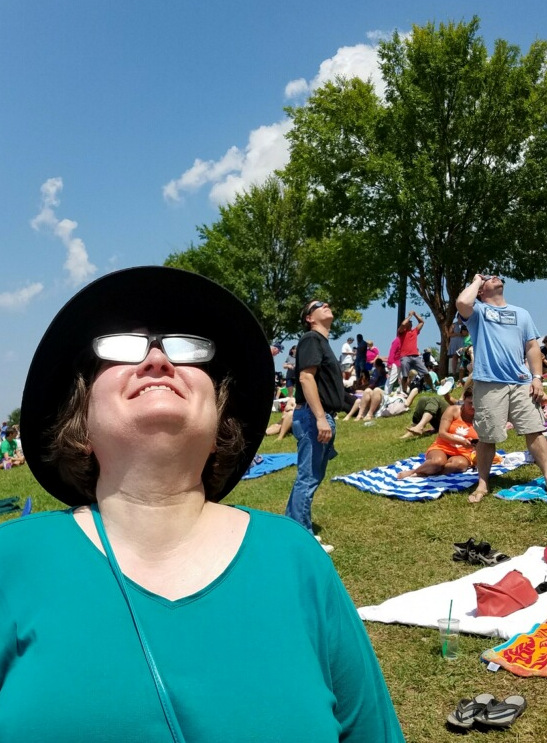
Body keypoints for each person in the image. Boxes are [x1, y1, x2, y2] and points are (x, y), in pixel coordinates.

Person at [0, 267, 404, 742]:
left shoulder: (295, 559)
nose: (157, 360)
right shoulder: (13, 558)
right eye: (123, 345)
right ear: (81, 426)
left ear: (220, 427)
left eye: (185, 349)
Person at [456, 273, 547, 503]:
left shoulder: (522, 313)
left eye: (495, 276)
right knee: (487, 437)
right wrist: (477, 280)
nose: (495, 277)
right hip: (488, 384)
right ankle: (483, 484)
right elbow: (462, 303)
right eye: (489, 278)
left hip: (522, 383)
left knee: (534, 430)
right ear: (481, 291)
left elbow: (532, 347)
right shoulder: (478, 312)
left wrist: (537, 377)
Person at [285, 300, 346, 553]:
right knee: (308, 477)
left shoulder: (320, 341)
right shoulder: (311, 338)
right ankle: (302, 538)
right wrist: (320, 418)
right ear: (309, 318)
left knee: (311, 476)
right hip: (313, 416)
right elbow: (305, 377)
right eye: (319, 305)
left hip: (317, 415)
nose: (327, 305)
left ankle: (291, 529)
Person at [397, 386, 478, 478]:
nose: (473, 406)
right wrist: (462, 442)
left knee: (459, 464)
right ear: (464, 399)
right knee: (437, 462)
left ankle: (425, 473)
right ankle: (414, 472)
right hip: (442, 446)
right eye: (470, 403)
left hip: (463, 453)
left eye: (476, 403)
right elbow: (442, 433)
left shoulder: (481, 418)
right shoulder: (453, 410)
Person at [397, 310, 431, 393]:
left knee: (426, 373)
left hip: (415, 356)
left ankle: (431, 388)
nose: (411, 323)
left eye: (411, 322)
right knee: (405, 375)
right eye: (409, 322)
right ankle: (404, 391)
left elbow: (422, 322)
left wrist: (415, 314)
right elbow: (403, 324)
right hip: (405, 357)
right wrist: (409, 316)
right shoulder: (401, 332)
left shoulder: (415, 331)